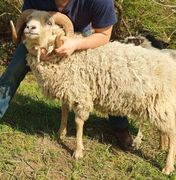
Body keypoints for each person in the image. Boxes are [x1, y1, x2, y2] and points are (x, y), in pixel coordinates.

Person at [0, 0, 132, 150]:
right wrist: (33, 50)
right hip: (38, 37)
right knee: (13, 71)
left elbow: (103, 34)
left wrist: (75, 44)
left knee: (103, 75)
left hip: (80, 34)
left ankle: (120, 126)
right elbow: (24, 27)